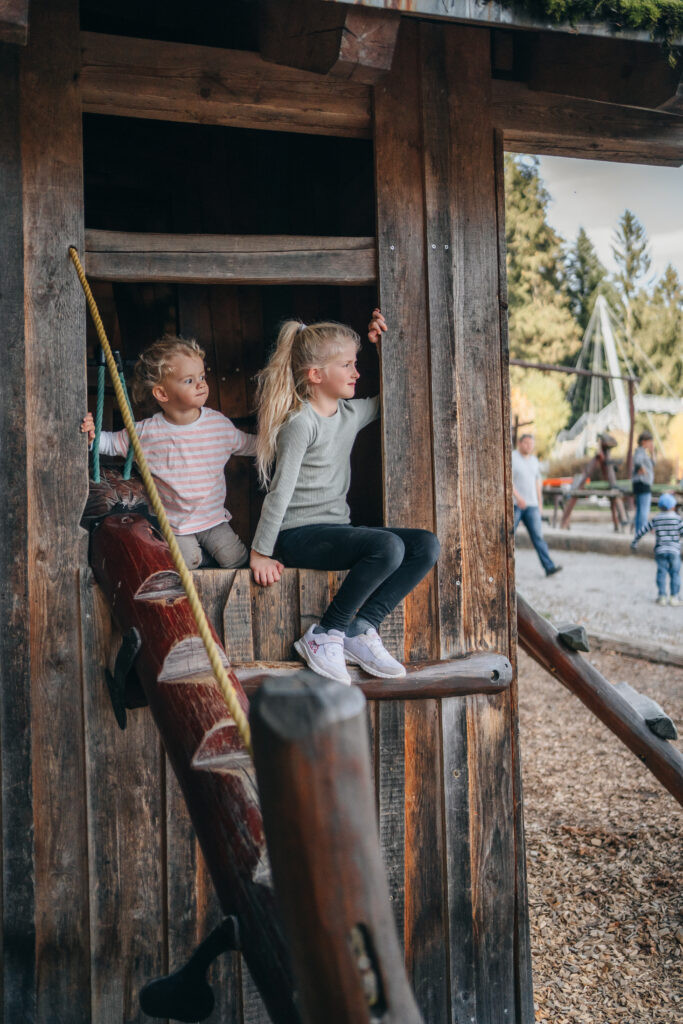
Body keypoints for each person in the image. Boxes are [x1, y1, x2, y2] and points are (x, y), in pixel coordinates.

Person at [249, 310, 440, 684]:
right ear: (316, 375)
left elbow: (396, 397)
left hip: (335, 530)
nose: (356, 372)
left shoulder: (350, 413)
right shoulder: (300, 423)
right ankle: (326, 634)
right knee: (386, 547)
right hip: (297, 535)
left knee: (425, 546)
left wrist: (387, 349)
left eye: (356, 363)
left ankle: (362, 626)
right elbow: (280, 491)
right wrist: (261, 551)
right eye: (347, 365)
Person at [81, 335, 256, 569]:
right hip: (174, 524)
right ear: (162, 394)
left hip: (213, 520)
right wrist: (92, 437)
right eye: (189, 380)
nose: (201, 384)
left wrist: (281, 443)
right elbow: (111, 443)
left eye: (202, 377)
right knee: (188, 562)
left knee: (235, 559)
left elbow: (250, 444)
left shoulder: (218, 425)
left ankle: (212, 559)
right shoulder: (147, 433)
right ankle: (203, 561)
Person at [512, 433, 561, 577]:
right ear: (520, 443)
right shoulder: (513, 457)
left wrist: (540, 503)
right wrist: (518, 498)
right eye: (526, 443)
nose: (529, 446)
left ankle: (549, 567)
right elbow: (508, 480)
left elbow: (537, 483)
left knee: (538, 537)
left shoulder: (534, 460)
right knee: (508, 537)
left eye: (531, 444)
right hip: (516, 504)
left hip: (532, 504)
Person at [631, 492, 683, 606]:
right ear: (673, 506)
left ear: (660, 506)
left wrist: (634, 542)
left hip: (660, 551)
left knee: (661, 573)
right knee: (675, 574)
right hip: (674, 551)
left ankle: (662, 596)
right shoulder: (678, 519)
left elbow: (643, 530)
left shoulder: (657, 519)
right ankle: (674, 597)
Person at [631, 429, 655, 535]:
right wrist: (642, 469)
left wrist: (652, 452)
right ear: (644, 441)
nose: (651, 444)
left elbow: (653, 464)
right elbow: (637, 462)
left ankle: (638, 532)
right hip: (642, 483)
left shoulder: (644, 452)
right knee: (644, 510)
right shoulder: (640, 451)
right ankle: (642, 532)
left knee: (640, 510)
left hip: (641, 483)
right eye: (649, 441)